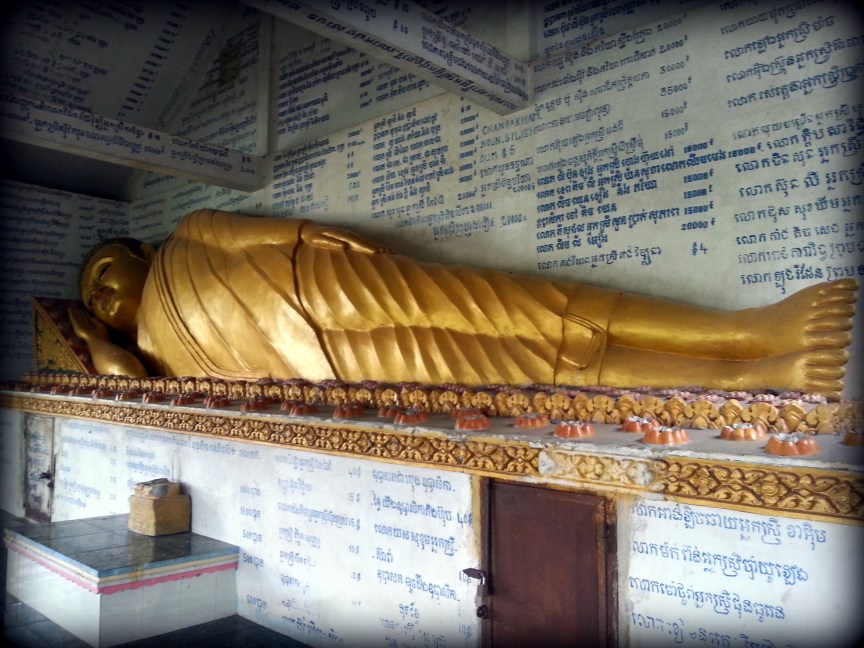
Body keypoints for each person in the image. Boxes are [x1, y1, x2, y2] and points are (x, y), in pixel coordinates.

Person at [70, 208, 857, 399]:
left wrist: (316, 235)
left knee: (523, 306)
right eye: (93, 301)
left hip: (314, 281)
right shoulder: (152, 360)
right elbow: (123, 389)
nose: (102, 293)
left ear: (136, 250)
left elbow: (247, 234)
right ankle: (746, 380)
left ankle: (747, 327)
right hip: (337, 366)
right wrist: (92, 340)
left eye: (104, 271)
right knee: (525, 368)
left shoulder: (183, 236)